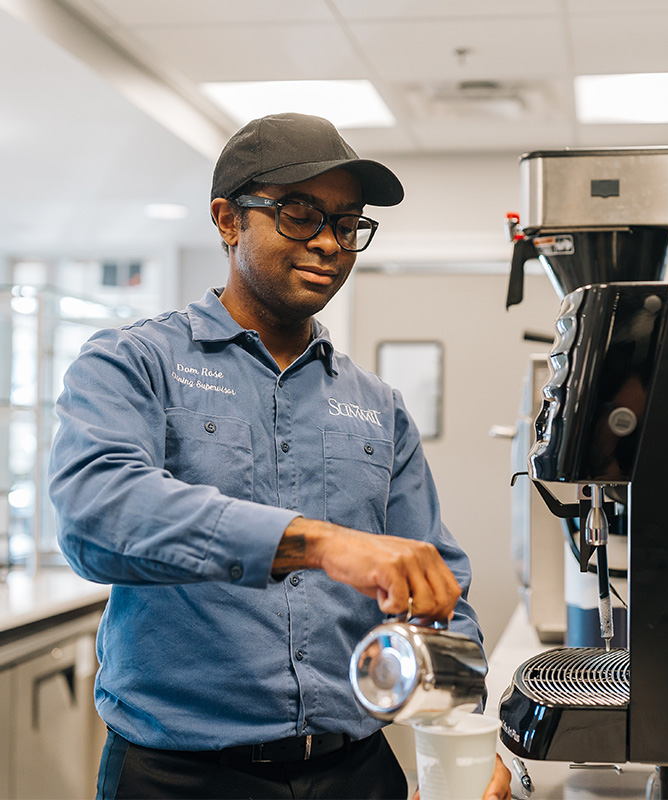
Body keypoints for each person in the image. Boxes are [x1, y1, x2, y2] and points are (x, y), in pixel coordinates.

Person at [48, 112, 512, 800]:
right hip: (182, 778)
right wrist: (317, 544)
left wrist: (459, 731)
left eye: (347, 224)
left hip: (356, 770)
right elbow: (96, 515)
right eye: (298, 214)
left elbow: (434, 588)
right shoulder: (134, 362)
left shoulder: (377, 405)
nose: (328, 243)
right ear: (228, 220)